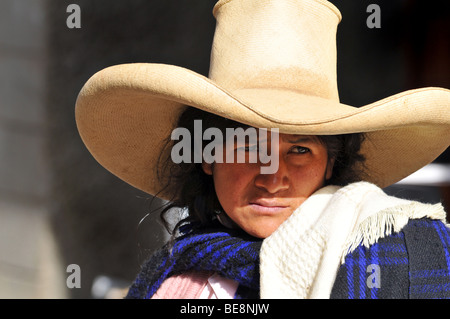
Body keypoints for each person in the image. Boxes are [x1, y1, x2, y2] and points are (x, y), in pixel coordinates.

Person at [75, 0, 450, 299]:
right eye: (247, 148)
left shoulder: (401, 252)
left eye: (300, 150)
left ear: (331, 163)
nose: (273, 178)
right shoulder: (175, 275)